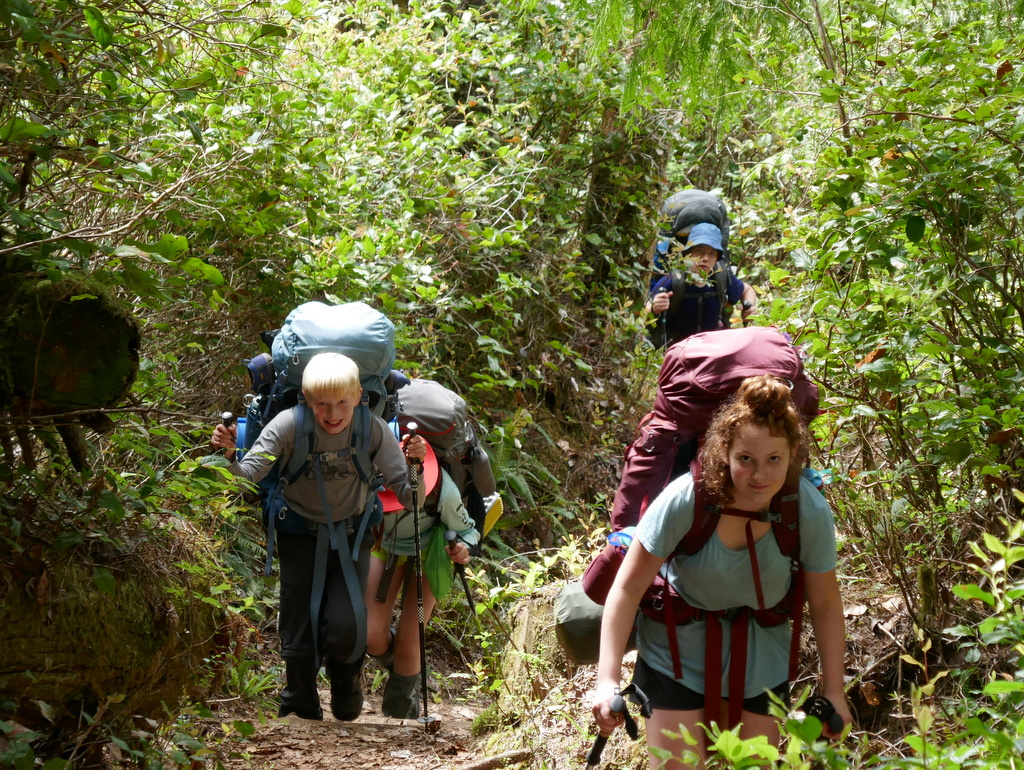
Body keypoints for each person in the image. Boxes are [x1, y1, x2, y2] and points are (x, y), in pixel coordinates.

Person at [591, 375, 850, 769]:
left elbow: (827, 602)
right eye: (745, 459)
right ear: (724, 450)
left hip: (763, 656)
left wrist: (834, 690)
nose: (759, 475)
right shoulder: (686, 498)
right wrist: (606, 680)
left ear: (793, 452)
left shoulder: (806, 509)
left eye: (773, 460)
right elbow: (626, 590)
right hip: (674, 653)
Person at [210, 352, 427, 722]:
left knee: (349, 624)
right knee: (298, 624)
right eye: (321, 403)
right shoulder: (288, 425)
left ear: (358, 395)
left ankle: (346, 684)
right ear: (306, 399)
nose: (332, 413)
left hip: (354, 535)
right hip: (298, 533)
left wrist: (416, 466)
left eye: (342, 401)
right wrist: (226, 455)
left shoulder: (370, 429)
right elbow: (246, 475)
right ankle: (299, 701)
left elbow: (410, 497)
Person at [365, 457, 480, 719]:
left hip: (430, 552)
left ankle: (402, 715)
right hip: (384, 547)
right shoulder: (367, 474)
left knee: (410, 638)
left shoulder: (443, 489)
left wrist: (464, 548)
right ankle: (400, 663)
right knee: (371, 635)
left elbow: (468, 532)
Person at [647, 222, 757, 348]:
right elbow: (644, 310)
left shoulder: (721, 276)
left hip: (713, 347)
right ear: (687, 254)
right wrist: (653, 308)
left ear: (717, 258)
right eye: (699, 251)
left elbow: (747, 290)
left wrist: (749, 308)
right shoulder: (674, 280)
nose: (705, 258)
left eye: (712, 253)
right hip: (678, 349)